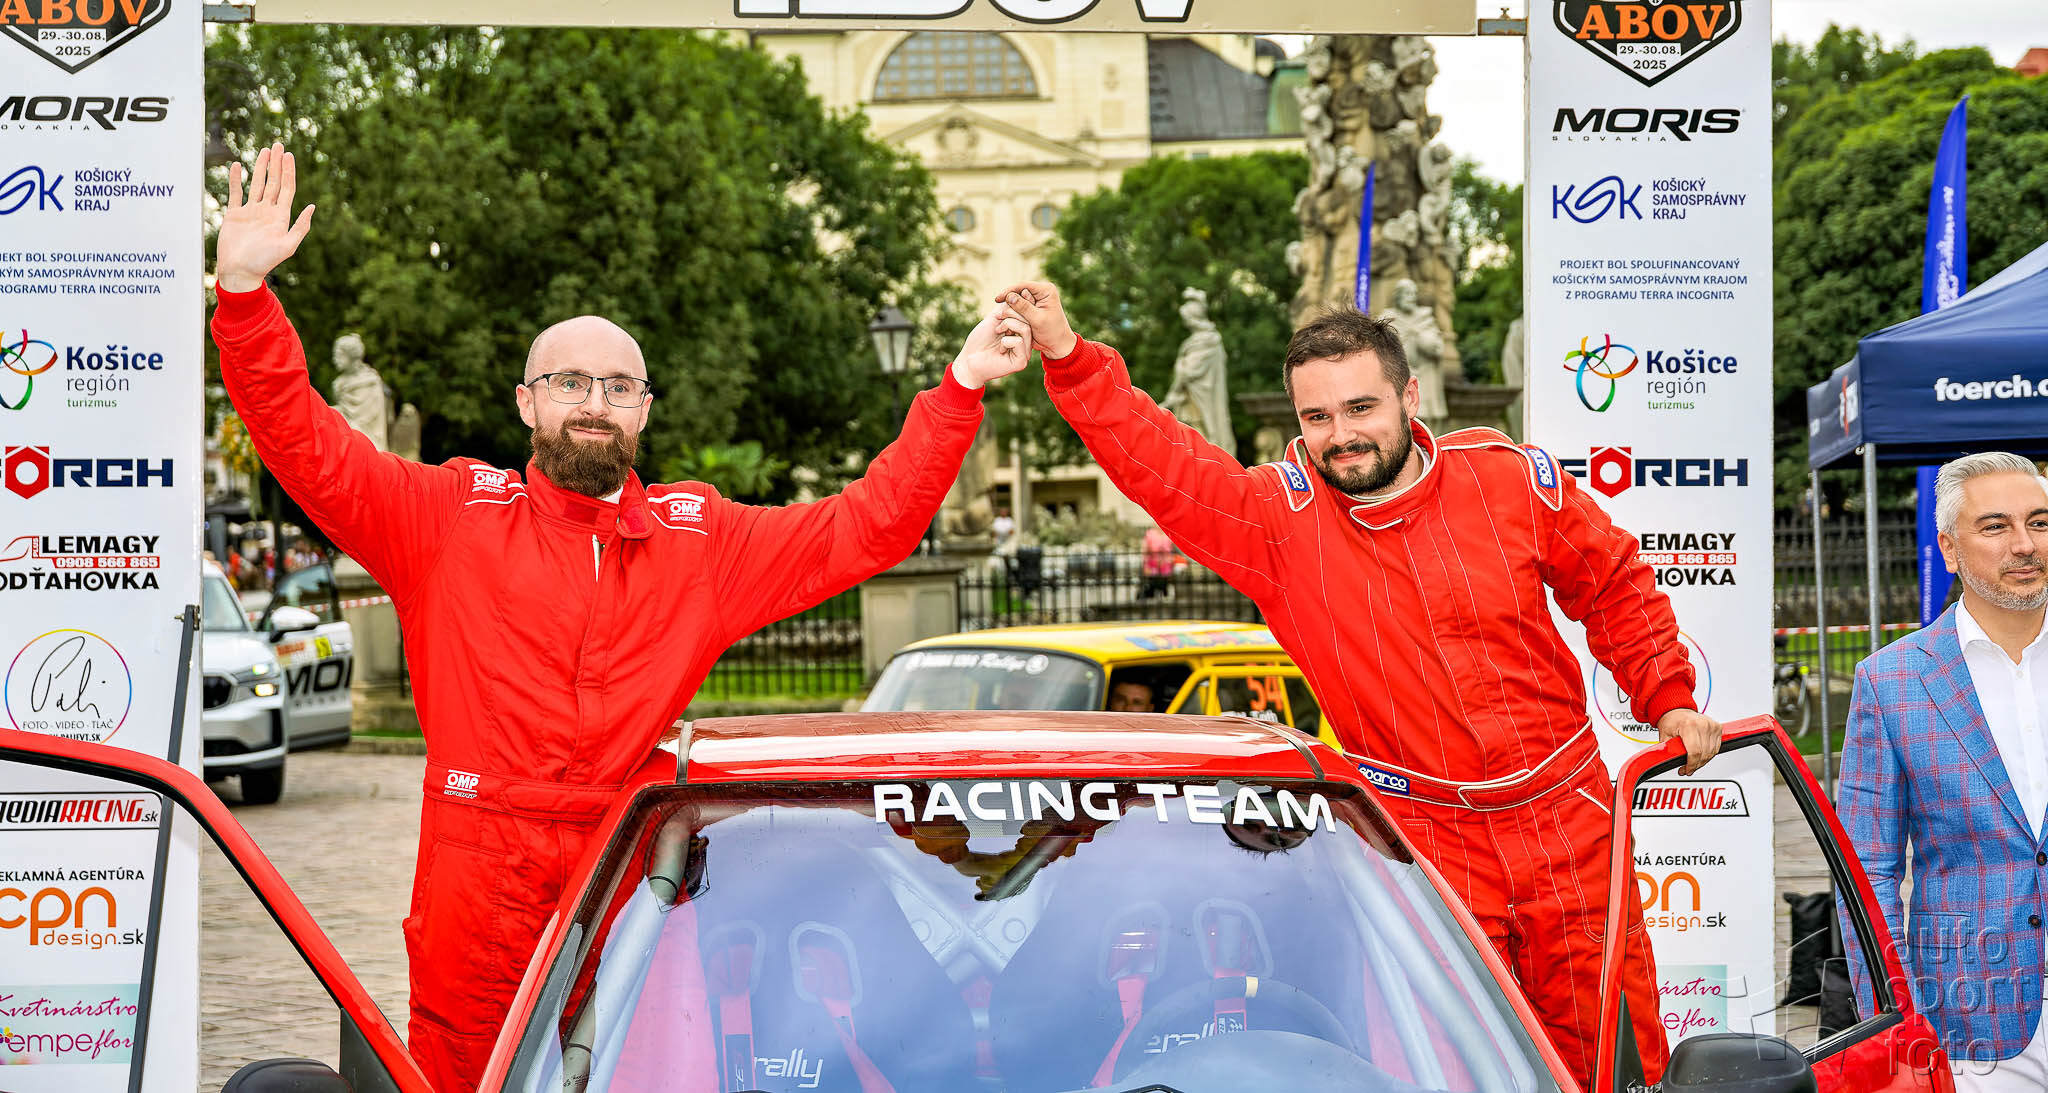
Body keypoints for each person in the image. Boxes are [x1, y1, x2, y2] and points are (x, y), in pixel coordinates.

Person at [211, 143, 1030, 1093]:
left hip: (632, 862)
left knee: (645, 1071)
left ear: (643, 412)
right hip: (480, 869)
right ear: (527, 403)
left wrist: (959, 387)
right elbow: (307, 446)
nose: (593, 405)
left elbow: (868, 526)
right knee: (472, 1075)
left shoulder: (701, 539)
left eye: (617, 387)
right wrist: (246, 297)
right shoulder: (449, 515)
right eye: (569, 383)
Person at [997, 283, 1719, 1086]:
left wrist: (1667, 695)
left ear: (1411, 396)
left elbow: (1612, 580)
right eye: (1317, 416)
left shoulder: (1508, 478)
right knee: (1444, 1072)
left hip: (1568, 820)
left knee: (1617, 1062)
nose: (1340, 435)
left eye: (1361, 407)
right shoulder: (1276, 521)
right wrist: (1070, 357)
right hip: (1420, 840)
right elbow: (1164, 463)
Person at [1840, 452, 2048, 1088]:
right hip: (1973, 1017)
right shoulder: (1892, 681)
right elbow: (1867, 873)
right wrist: (1896, 1024)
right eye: (1995, 526)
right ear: (1950, 550)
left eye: (2040, 522)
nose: (2024, 544)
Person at [1138, 523, 1175, 599]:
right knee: (1152, 581)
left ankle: (1164, 595)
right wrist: (1145, 562)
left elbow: (1170, 548)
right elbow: (1145, 549)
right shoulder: (1150, 534)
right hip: (1152, 562)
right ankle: (1152, 596)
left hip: (1165, 563)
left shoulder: (1168, 534)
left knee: (1164, 582)